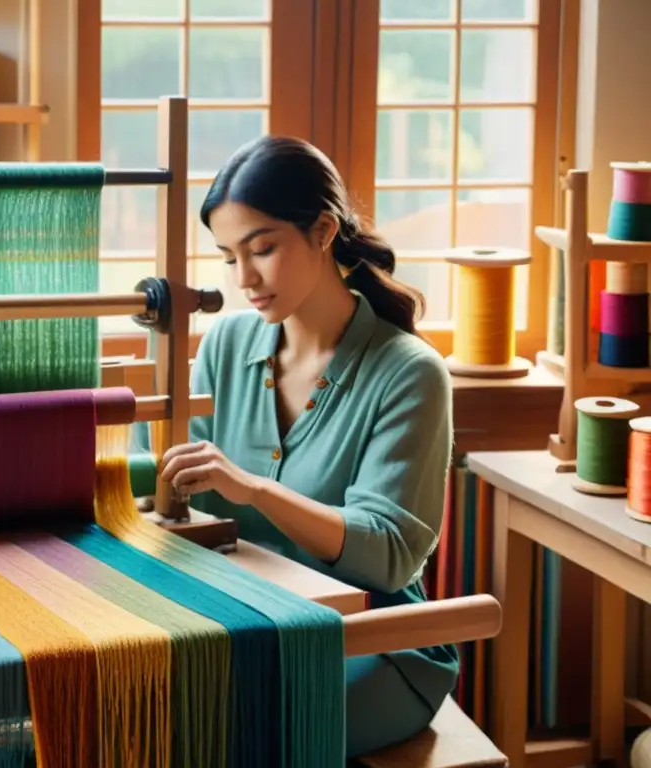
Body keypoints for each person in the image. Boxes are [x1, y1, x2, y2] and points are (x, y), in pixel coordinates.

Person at [136, 135, 458, 758]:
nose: (244, 278)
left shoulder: (410, 373)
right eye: (229, 257)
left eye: (262, 249)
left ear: (323, 231)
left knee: (225, 730)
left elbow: (388, 557)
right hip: (242, 626)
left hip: (372, 641)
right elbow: (179, 494)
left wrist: (254, 489)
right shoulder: (228, 343)